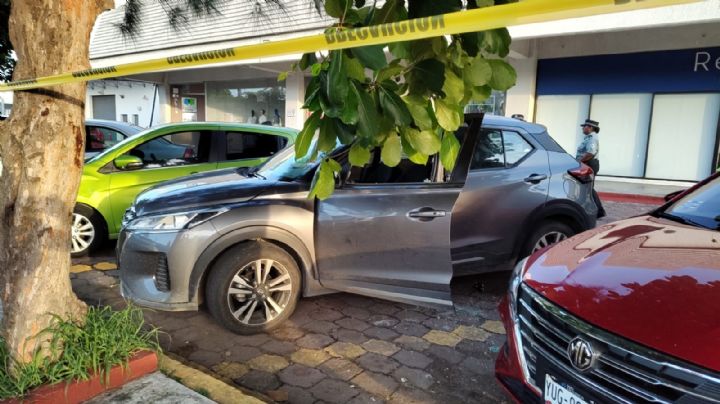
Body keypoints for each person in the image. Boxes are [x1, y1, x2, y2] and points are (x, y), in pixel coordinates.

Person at [576, 119, 606, 218]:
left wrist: (579, 162)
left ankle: (599, 211)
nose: (583, 128)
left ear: (590, 127)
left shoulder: (592, 138)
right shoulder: (588, 138)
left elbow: (590, 153)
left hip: (589, 164)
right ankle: (592, 210)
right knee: (586, 188)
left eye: (584, 126)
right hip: (587, 164)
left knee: (588, 188)